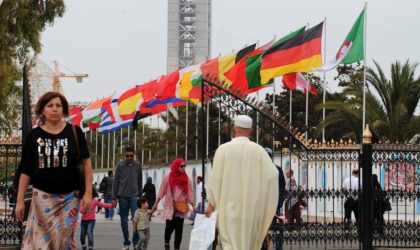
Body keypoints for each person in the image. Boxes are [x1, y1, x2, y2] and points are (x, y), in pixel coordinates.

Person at [15, 92, 93, 249]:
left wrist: (88, 193)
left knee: (64, 240)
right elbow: (25, 170)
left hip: (70, 198)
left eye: (58, 105)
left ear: (63, 110)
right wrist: (19, 201)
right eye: (50, 105)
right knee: (40, 242)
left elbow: (86, 163)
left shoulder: (75, 132)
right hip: (41, 199)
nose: (54, 109)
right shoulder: (34, 136)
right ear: (42, 110)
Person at [204, 115, 279, 250]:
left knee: (229, 245)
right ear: (250, 131)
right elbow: (273, 175)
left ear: (234, 129)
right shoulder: (259, 151)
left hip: (228, 210)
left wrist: (211, 205)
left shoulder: (223, 150)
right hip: (251, 211)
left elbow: (215, 181)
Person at [151, 158, 195, 250]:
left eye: (184, 166)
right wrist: (156, 204)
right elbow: (161, 192)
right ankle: (166, 242)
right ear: (176, 166)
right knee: (169, 228)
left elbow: (190, 192)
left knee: (179, 231)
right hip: (170, 207)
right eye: (181, 166)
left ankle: (177, 248)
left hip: (181, 208)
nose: (183, 168)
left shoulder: (186, 179)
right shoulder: (167, 178)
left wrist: (193, 205)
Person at [112, 146, 143, 250]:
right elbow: (115, 183)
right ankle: (126, 242)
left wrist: (141, 197)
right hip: (122, 197)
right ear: (125, 155)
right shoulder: (120, 165)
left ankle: (135, 243)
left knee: (136, 220)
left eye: (131, 156)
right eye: (127, 156)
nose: (129, 157)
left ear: (134, 155)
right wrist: (114, 198)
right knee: (123, 222)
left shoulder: (138, 166)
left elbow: (140, 181)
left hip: (134, 196)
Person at [265, 147, 286, 250]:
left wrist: (280, 202)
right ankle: (265, 245)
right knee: (264, 227)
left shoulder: (277, 169)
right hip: (264, 204)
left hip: (274, 203)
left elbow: (282, 186)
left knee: (277, 226)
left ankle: (278, 245)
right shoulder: (258, 169)